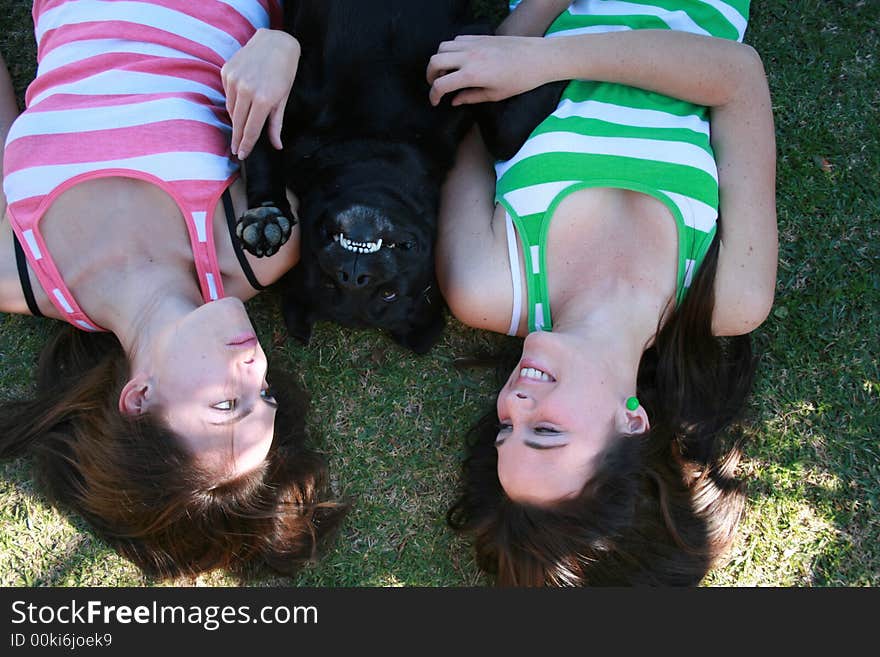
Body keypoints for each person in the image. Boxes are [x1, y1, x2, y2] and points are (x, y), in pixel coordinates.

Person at [429, 0, 777, 585]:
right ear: (632, 423)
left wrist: (541, 21)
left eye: (504, 432)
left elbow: (460, 100)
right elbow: (738, 77)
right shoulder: (732, 294)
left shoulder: (485, 281)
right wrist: (548, 62)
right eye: (545, 432)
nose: (513, 406)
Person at [0, 1, 347, 579]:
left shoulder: (18, 269)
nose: (255, 365)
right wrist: (283, 46)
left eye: (225, 404)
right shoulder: (257, 246)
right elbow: (334, 70)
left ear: (140, 397)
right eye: (264, 396)